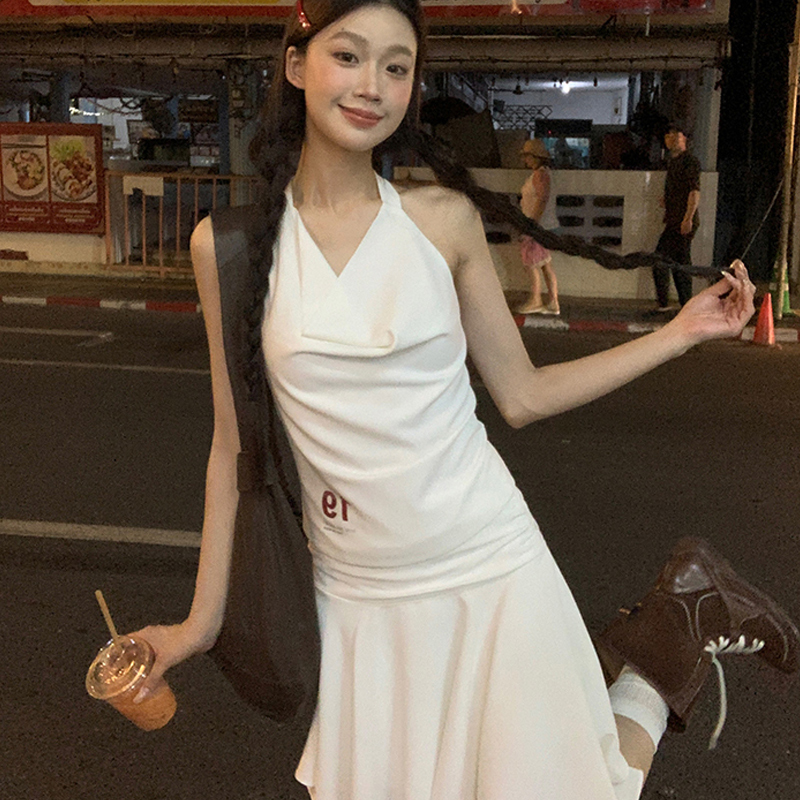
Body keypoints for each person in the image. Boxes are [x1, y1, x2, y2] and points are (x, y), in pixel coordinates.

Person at [129, 1, 797, 798]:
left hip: (486, 564)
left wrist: (681, 333)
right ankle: (675, 627)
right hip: (357, 596)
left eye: (397, 67)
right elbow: (232, 449)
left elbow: (523, 394)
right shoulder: (231, 247)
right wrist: (197, 626)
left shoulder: (440, 222)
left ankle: (668, 646)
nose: (372, 85)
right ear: (297, 65)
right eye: (348, 56)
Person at [652, 123, 701, 311]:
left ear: (684, 140)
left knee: (667, 260)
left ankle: (671, 303)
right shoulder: (673, 162)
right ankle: (682, 304)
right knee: (678, 262)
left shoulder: (690, 162)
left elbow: (694, 192)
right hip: (675, 220)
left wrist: (688, 218)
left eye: (676, 136)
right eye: (669, 136)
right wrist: (668, 200)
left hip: (681, 221)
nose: (671, 140)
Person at [517, 138, 560, 315]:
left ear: (535, 157)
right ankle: (553, 302)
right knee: (545, 264)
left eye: (527, 156)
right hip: (543, 226)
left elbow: (542, 200)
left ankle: (536, 300)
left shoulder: (540, 175)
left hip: (537, 227)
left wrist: (531, 226)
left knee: (532, 264)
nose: (525, 160)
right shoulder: (543, 173)